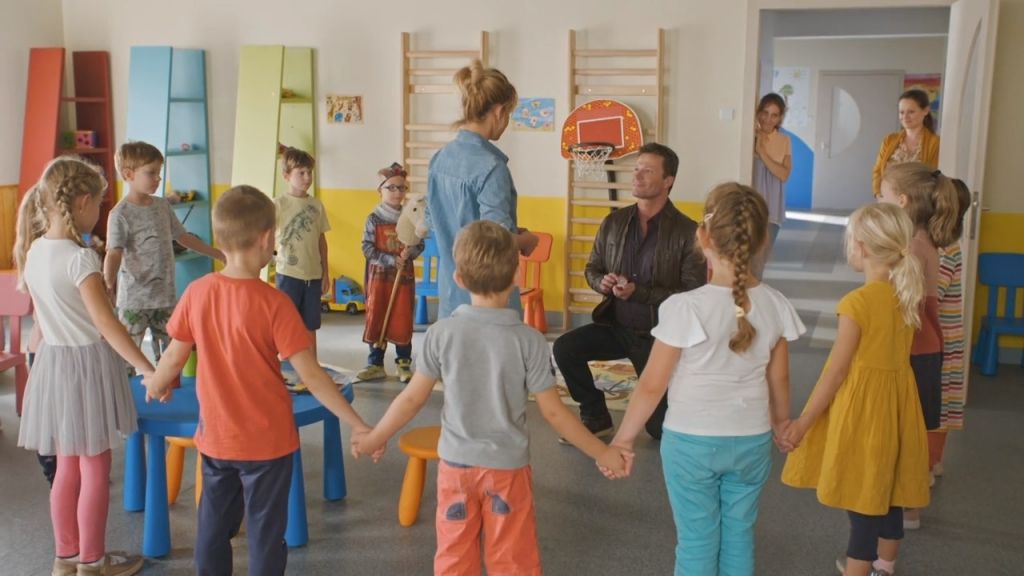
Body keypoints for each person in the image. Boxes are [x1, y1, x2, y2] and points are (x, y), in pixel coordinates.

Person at [351, 220, 632, 575]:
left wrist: (375, 437)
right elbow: (555, 414)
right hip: (506, 470)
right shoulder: (529, 340)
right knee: (512, 560)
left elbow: (411, 400)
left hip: (456, 466)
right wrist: (602, 453)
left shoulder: (441, 333)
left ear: (458, 279)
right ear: (516, 275)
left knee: (454, 557)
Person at [142, 185, 374, 576]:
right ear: (267, 240)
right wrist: (357, 423)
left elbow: (172, 358)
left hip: (218, 440)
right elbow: (312, 376)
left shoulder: (197, 293)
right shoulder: (275, 304)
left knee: (213, 530)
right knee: (266, 536)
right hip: (268, 445)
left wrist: (155, 383)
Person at [607, 183, 804, 576]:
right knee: (739, 535)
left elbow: (652, 384)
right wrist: (782, 422)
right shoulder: (776, 304)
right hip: (751, 440)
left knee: (698, 539)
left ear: (703, 236)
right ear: (761, 240)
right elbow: (779, 377)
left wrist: (623, 439)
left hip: (690, 443)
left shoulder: (684, 307)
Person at [14, 158, 155, 576]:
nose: (100, 212)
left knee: (67, 465)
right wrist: (147, 368)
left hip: (54, 364)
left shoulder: (35, 251)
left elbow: (44, 319)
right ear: (82, 203)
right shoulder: (80, 260)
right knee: (94, 465)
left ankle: (66, 557)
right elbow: (108, 325)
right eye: (99, 204)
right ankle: (92, 561)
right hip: (87, 368)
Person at [781, 202, 931, 576]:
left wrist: (803, 423)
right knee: (889, 489)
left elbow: (836, 372)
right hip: (898, 408)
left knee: (863, 498)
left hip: (866, 414)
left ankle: (858, 569)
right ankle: (885, 566)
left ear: (860, 247)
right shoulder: (905, 295)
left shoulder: (857, 303)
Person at [552, 142, 706, 440]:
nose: (637, 175)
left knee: (658, 429)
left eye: (647, 171)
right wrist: (602, 283)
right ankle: (596, 417)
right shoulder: (614, 222)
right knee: (565, 348)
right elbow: (592, 269)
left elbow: (692, 293)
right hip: (617, 326)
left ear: (668, 180)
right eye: (636, 169)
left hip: (660, 337)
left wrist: (639, 293)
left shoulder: (687, 231)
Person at [878, 162, 961, 530]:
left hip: (913, 351)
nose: (878, 201)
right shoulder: (925, 240)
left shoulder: (911, 245)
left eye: (882, 196)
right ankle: (909, 507)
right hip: (925, 348)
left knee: (905, 434)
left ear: (901, 201)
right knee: (914, 433)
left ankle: (904, 507)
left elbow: (901, 305)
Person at [426, 59, 539, 318]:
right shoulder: (491, 167)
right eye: (508, 114)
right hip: (489, 300)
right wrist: (526, 240)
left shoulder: (440, 158)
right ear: (499, 111)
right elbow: (496, 243)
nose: (506, 122)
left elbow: (435, 220)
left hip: (451, 294)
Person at [103, 141, 223, 364]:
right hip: (134, 300)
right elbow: (114, 253)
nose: (158, 179)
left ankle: (165, 384)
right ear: (128, 174)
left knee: (171, 357)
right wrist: (108, 283)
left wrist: (216, 253)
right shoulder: (120, 214)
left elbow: (183, 237)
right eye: (151, 173)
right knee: (126, 359)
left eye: (159, 173)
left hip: (165, 296)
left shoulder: (162, 206)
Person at [357, 162, 424, 383]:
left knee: (402, 317)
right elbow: (367, 249)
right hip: (379, 280)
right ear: (380, 190)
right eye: (391, 187)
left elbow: (420, 244)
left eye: (402, 188)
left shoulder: (410, 217)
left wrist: (410, 253)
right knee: (378, 315)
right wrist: (391, 260)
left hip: (403, 279)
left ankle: (403, 363)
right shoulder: (373, 219)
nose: (397, 192)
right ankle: (375, 363)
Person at [930, 178, 972, 478]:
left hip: (942, 340)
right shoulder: (945, 246)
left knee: (937, 404)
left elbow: (935, 292)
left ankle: (929, 463)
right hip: (944, 337)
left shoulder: (944, 249)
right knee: (939, 401)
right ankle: (933, 461)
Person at [274, 146, 331, 356]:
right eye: (301, 173)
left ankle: (311, 363)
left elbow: (321, 240)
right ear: (286, 175)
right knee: (286, 323)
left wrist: (325, 272)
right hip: (288, 275)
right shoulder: (278, 204)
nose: (307, 178)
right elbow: (266, 235)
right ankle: (284, 362)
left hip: (313, 276)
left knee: (310, 324)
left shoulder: (317, 205)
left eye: (309, 172)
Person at [752, 92, 792, 279]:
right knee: (745, 258)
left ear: (780, 118)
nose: (768, 119)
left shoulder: (784, 141)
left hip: (772, 206)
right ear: (758, 112)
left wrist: (762, 153)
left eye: (774, 115)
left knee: (760, 261)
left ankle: (753, 294)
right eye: (765, 113)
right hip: (751, 204)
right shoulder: (749, 134)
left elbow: (784, 174)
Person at [871, 89, 940, 198]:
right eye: (902, 112)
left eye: (911, 112)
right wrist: (878, 194)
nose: (905, 117)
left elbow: (933, 177)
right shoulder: (889, 140)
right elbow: (877, 171)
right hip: (888, 201)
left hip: (919, 202)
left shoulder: (935, 143)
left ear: (925, 111)